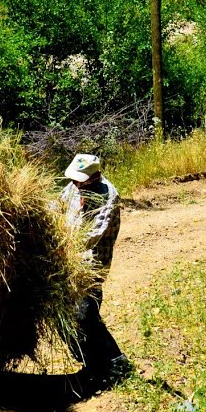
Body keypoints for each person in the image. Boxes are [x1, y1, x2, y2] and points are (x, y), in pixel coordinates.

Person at [59, 153, 133, 389]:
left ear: (94, 177)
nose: (77, 184)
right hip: (66, 264)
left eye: (81, 180)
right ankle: (92, 365)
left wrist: (59, 243)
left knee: (85, 314)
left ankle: (118, 365)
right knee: (65, 317)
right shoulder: (72, 188)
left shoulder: (108, 195)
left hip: (90, 265)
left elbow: (92, 236)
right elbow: (57, 207)